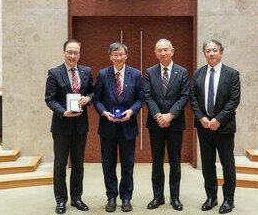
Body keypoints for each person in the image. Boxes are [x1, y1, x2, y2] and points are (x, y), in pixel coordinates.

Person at [190, 39, 241, 214]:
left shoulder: (232, 74)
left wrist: (218, 119)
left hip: (224, 127)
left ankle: (228, 200)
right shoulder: (198, 73)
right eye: (207, 51)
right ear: (204, 54)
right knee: (207, 164)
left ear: (221, 52)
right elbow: (193, 98)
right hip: (204, 127)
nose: (211, 54)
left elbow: (234, 100)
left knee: (227, 164)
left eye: (214, 50)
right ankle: (211, 197)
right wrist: (201, 117)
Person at [93, 42, 144, 213]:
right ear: (110, 56)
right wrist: (104, 112)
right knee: (108, 165)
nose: (118, 57)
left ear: (126, 55)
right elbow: (97, 99)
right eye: (115, 54)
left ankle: (126, 197)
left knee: (128, 165)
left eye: (121, 54)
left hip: (128, 127)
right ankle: (111, 197)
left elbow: (140, 98)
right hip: (107, 126)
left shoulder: (136, 74)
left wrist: (132, 111)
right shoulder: (102, 74)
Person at [45, 39, 94, 214]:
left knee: (78, 164)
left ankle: (77, 198)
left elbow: (93, 91)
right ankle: (61, 200)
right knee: (60, 164)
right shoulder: (54, 73)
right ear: (64, 52)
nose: (73, 55)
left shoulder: (86, 71)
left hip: (81, 126)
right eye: (70, 52)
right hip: (61, 126)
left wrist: (88, 98)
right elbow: (49, 98)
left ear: (79, 54)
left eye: (76, 53)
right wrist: (63, 112)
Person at [144, 39, 189, 211]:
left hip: (175, 123)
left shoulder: (182, 72)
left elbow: (184, 96)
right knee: (157, 161)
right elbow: (147, 96)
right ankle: (158, 197)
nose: (163, 53)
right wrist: (158, 115)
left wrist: (170, 115)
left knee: (175, 161)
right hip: (155, 124)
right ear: (155, 53)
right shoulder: (150, 72)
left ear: (172, 51)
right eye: (159, 50)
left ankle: (175, 198)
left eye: (166, 50)